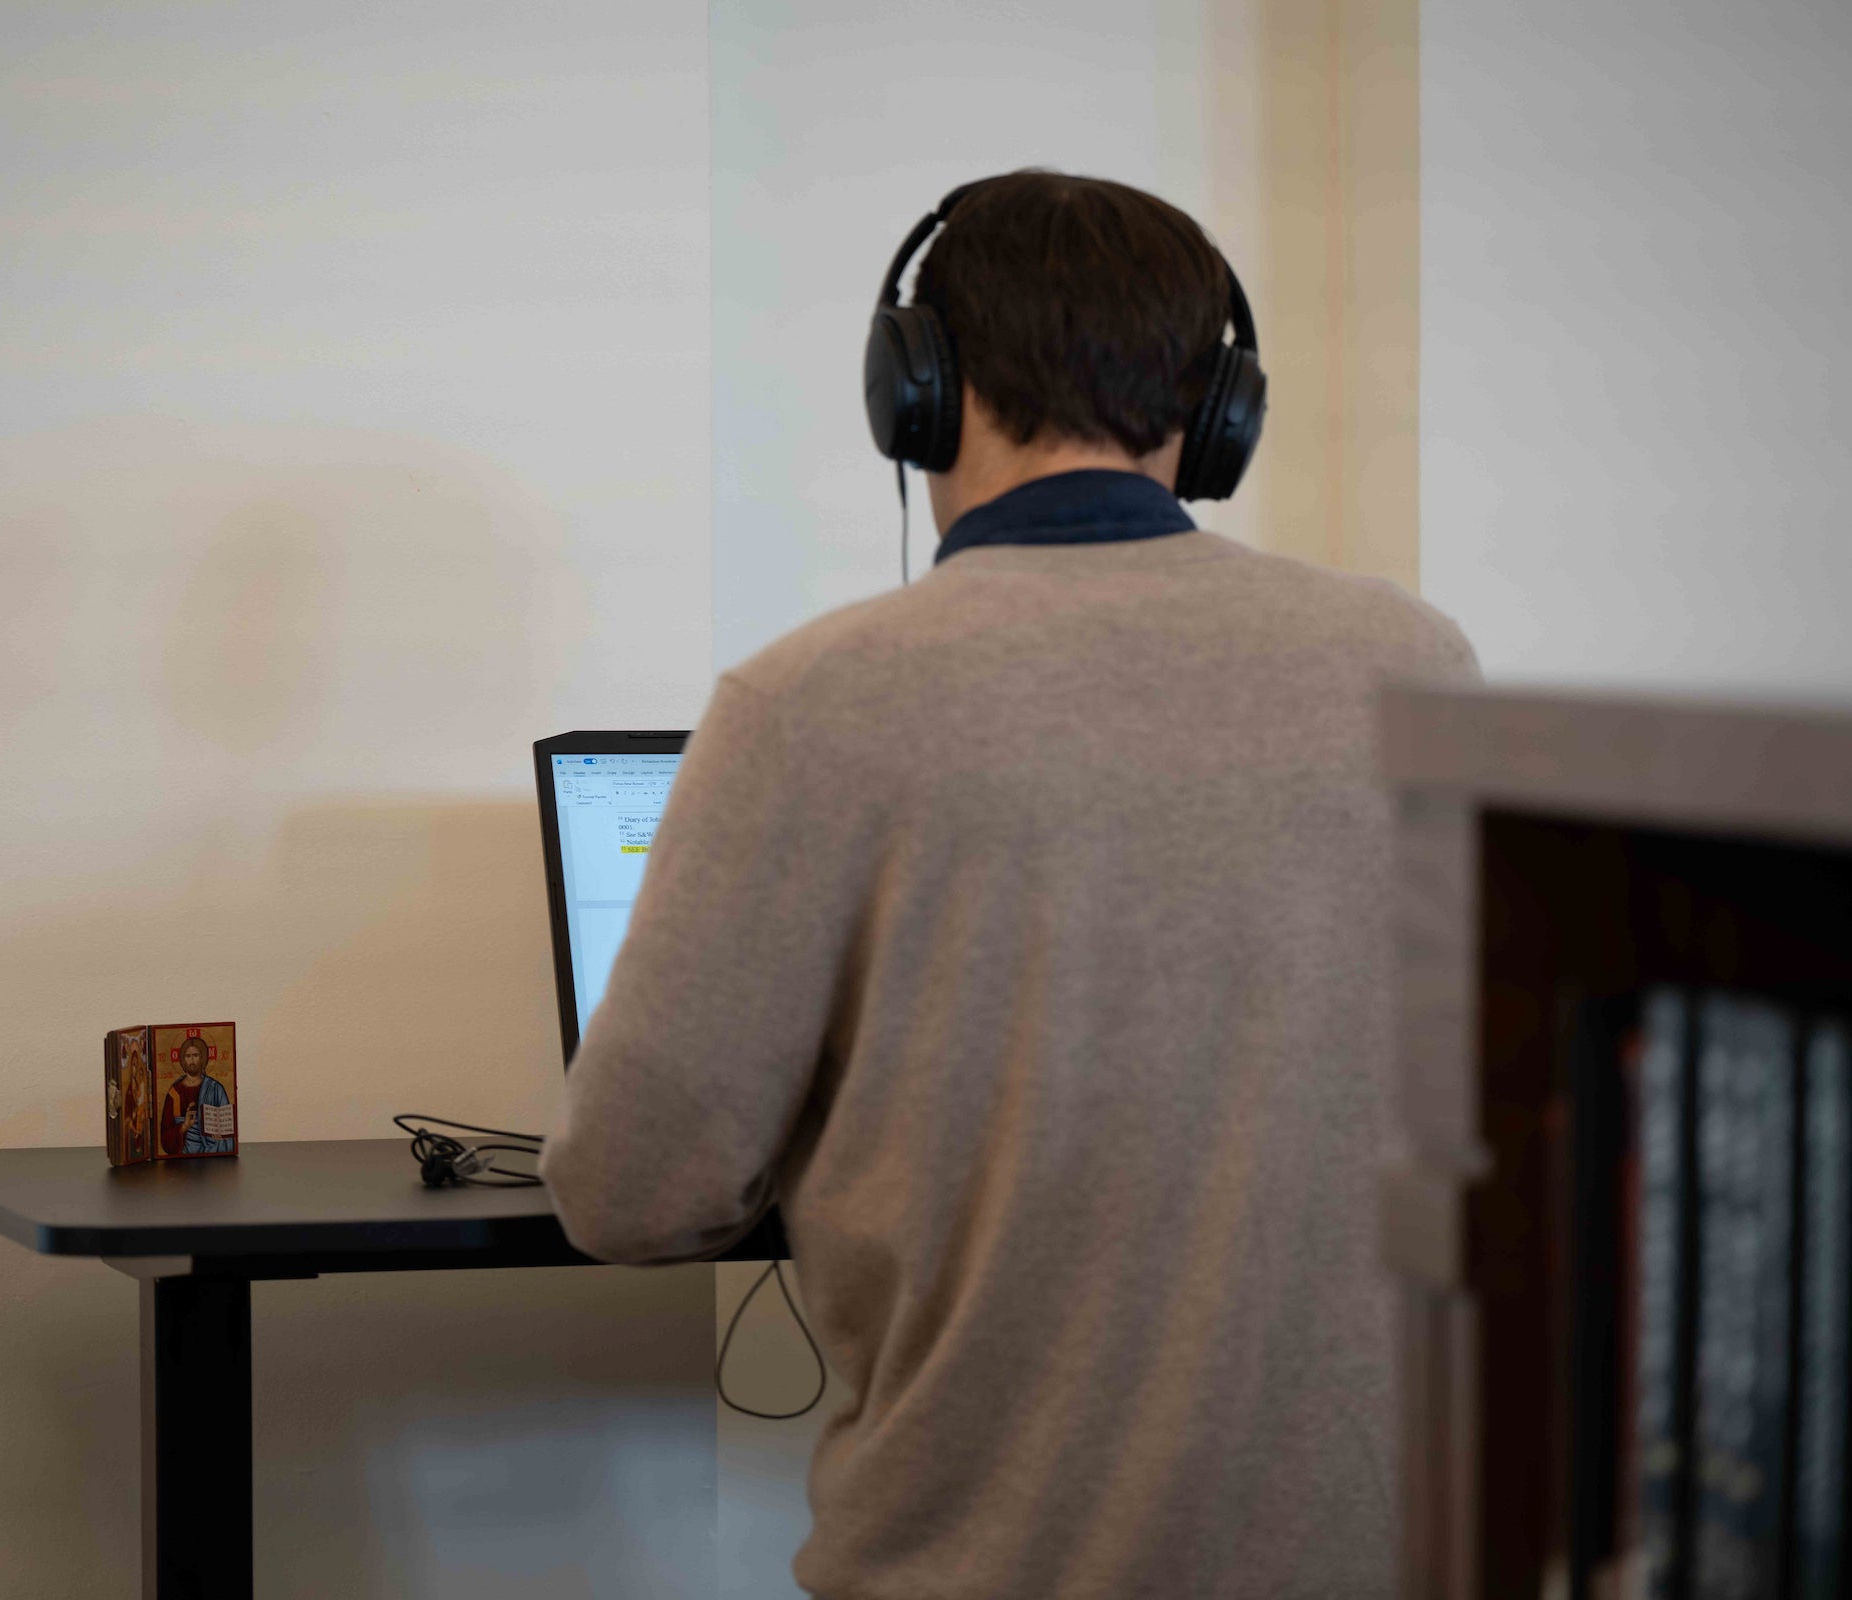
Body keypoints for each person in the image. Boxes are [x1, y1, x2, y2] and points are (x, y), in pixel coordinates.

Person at [540, 169, 1478, 1600]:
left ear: (914, 387)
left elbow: (629, 1192)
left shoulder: (815, 702)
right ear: (1220, 411)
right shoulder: (1414, 666)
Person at [158, 1033, 234, 1156]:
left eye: (196, 1055)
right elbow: (165, 1138)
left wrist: (219, 1133)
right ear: (182, 1060)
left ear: (203, 1058)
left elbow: (227, 1127)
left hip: (212, 1156)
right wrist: (184, 1126)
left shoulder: (215, 1088)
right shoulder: (175, 1092)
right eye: (188, 1056)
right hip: (184, 1160)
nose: (192, 1061)